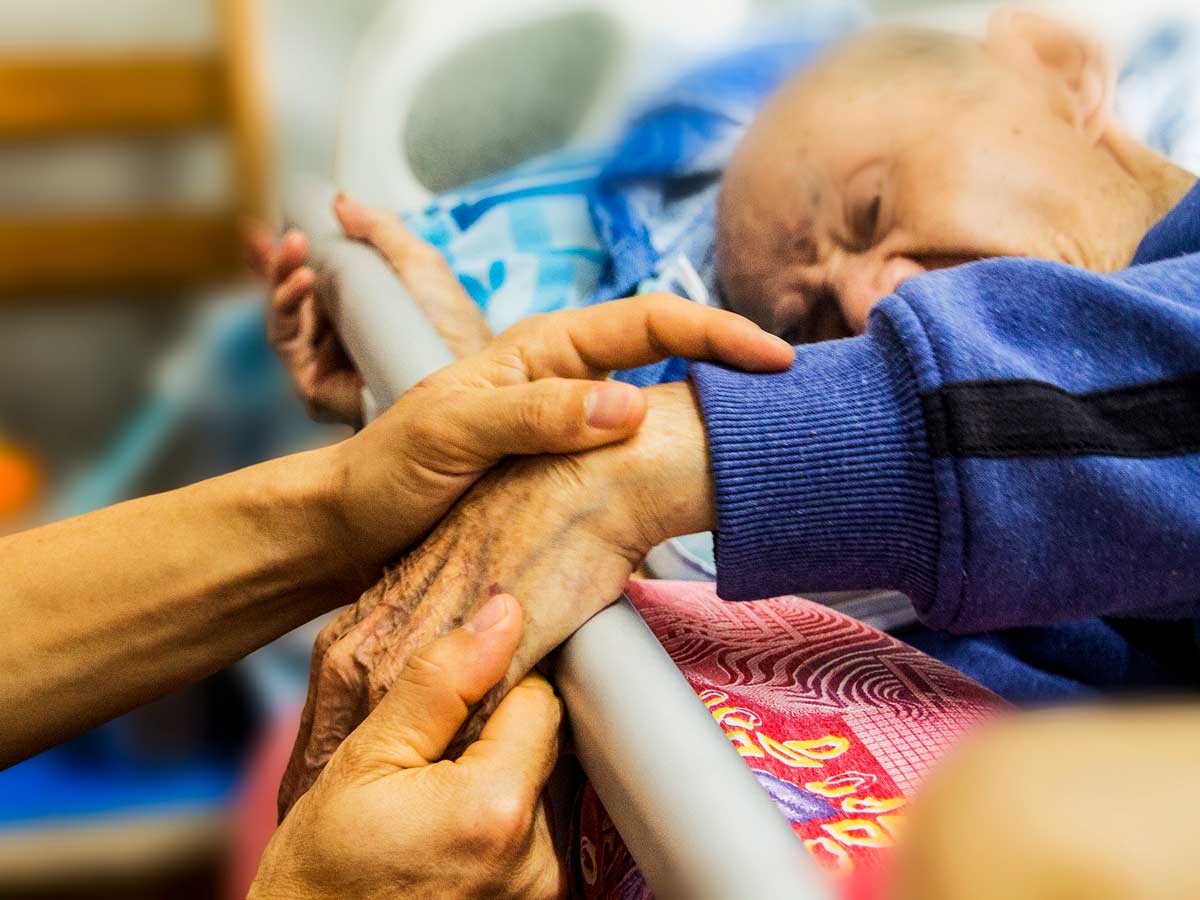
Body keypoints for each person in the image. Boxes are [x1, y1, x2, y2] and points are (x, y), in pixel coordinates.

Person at [254, 8, 1200, 894]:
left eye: (872, 208)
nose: (869, 304)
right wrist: (477, 404)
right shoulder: (891, 577)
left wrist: (683, 455)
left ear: (1056, 70)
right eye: (819, 330)